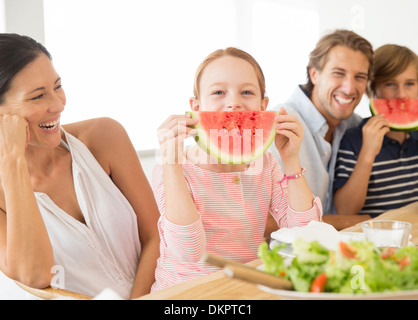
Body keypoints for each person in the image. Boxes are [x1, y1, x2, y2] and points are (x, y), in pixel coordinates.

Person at [0, 33, 160, 299]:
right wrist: (13, 162)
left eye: (57, 86)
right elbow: (36, 276)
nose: (58, 104)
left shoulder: (104, 136)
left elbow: (155, 235)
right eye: (37, 97)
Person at [151, 47, 322, 292]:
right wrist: (171, 162)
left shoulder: (266, 165)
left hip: (244, 290)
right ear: (196, 107)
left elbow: (306, 234)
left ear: (263, 106)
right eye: (219, 92)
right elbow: (189, 251)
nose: (233, 103)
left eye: (246, 92)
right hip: (183, 293)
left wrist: (291, 159)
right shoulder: (171, 167)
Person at [268, 29, 373, 230]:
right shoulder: (278, 127)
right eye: (338, 73)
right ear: (314, 74)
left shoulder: (354, 125)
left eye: (360, 77)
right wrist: (351, 222)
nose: (350, 88)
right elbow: (259, 222)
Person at [334, 44, 418, 217]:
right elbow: (345, 210)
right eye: (390, 84)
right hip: (374, 239)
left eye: (410, 83)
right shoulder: (353, 140)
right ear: (369, 90)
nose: (401, 94)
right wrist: (368, 153)